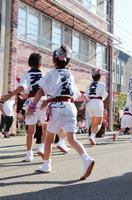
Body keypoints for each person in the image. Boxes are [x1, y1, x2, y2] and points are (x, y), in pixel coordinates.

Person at [26, 45, 94, 180]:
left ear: (54, 60)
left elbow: (40, 90)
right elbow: (76, 94)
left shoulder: (52, 74)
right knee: (71, 139)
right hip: (70, 107)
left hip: (57, 107)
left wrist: (32, 105)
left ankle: (46, 165)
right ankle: (86, 159)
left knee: (49, 137)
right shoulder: (69, 74)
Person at [1, 53, 48, 161]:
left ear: (29, 63)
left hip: (31, 102)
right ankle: (41, 148)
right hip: (44, 102)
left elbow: (23, 87)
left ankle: (29, 154)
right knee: (45, 128)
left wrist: (9, 95)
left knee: (30, 131)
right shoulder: (45, 75)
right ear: (40, 64)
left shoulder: (26, 75)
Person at [82, 69, 108, 145]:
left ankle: (92, 136)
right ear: (100, 77)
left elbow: (86, 96)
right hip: (98, 102)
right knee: (99, 122)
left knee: (93, 122)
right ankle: (92, 136)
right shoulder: (102, 84)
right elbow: (104, 95)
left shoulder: (89, 85)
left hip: (90, 103)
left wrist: (83, 105)